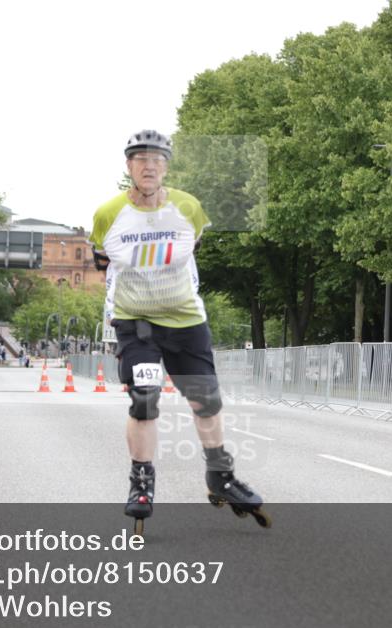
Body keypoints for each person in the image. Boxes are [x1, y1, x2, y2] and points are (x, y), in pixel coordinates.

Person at [89, 129, 268, 530]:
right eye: (140, 159)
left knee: (207, 402)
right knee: (145, 399)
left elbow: (192, 249)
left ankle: (220, 477)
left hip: (186, 322)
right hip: (137, 326)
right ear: (129, 166)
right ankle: (141, 483)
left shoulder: (189, 208)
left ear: (166, 166)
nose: (149, 165)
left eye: (157, 159)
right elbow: (103, 261)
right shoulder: (108, 215)